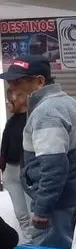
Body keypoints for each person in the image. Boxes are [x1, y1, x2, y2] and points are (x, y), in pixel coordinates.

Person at [2, 55, 76, 248]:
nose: (12, 87)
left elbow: (54, 167)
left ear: (39, 81)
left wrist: (42, 209)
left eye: (18, 81)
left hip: (61, 205)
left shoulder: (46, 113)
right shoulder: (71, 104)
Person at [1, 87, 31, 238]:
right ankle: (28, 241)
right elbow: (5, 146)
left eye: (10, 98)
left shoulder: (31, 119)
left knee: (32, 213)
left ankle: (37, 244)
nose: (7, 102)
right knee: (21, 215)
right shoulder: (11, 121)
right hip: (11, 172)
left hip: (26, 171)